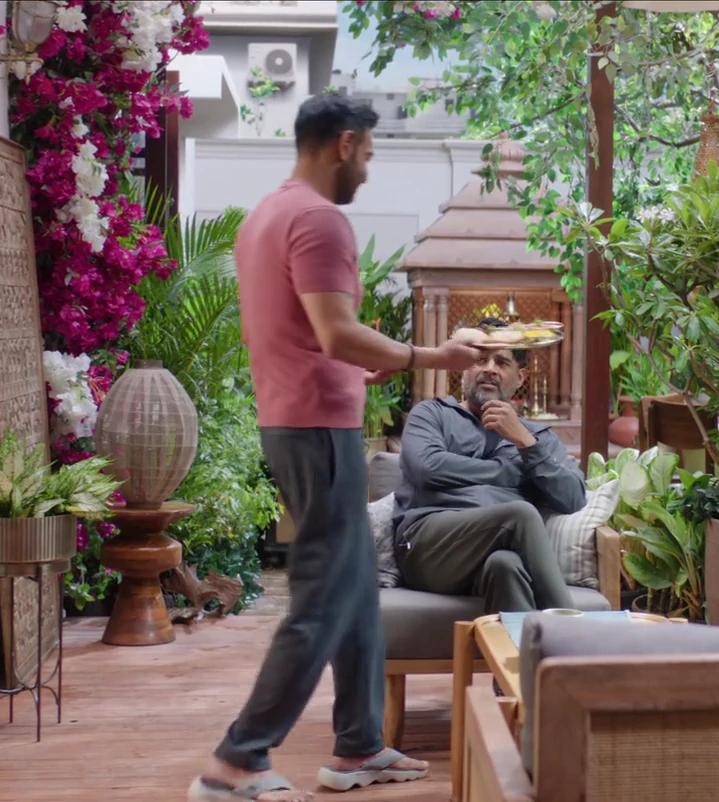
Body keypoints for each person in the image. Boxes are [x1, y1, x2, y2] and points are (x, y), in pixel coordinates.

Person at [191, 94, 481, 802]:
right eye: (370, 155)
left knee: (352, 590)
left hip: (297, 420)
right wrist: (431, 355)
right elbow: (336, 331)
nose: (369, 172)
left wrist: (359, 365)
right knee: (323, 595)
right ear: (344, 144)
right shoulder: (320, 219)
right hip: (318, 429)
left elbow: (303, 334)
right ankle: (238, 757)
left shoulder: (267, 215)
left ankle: (358, 745)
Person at [393, 318, 585, 612]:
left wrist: (526, 443)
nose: (490, 369)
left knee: (505, 565)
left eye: (502, 362)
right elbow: (427, 467)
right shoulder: (431, 414)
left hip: (491, 553)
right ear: (464, 369)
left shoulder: (537, 438)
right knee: (520, 514)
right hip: (427, 547)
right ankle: (572, 630)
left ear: (520, 377)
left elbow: (573, 498)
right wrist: (506, 472)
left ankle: (526, 642)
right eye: (480, 360)